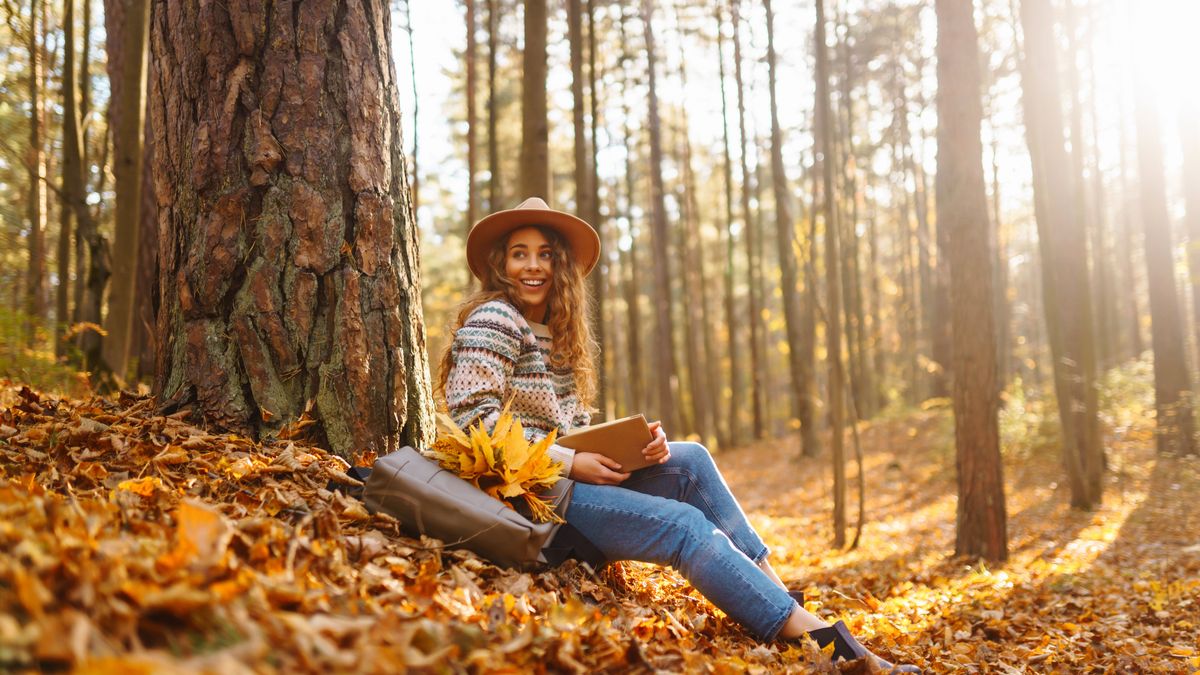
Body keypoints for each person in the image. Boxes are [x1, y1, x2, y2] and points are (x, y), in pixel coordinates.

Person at [437, 197, 920, 673]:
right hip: (531, 499)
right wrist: (568, 462)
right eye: (519, 253)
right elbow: (473, 420)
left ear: (560, 264)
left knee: (689, 460)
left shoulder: (552, 330)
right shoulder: (495, 318)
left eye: (545, 253)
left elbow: (565, 428)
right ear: (501, 264)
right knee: (687, 528)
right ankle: (825, 644)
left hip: (563, 482)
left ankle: (776, 597)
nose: (533, 265)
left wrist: (634, 447)